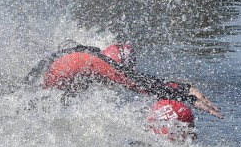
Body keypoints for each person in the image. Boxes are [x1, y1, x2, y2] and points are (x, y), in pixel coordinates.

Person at [28, 43, 222, 118]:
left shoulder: (82, 53)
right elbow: (138, 84)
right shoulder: (97, 62)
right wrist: (186, 93)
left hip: (36, 95)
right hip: (41, 102)